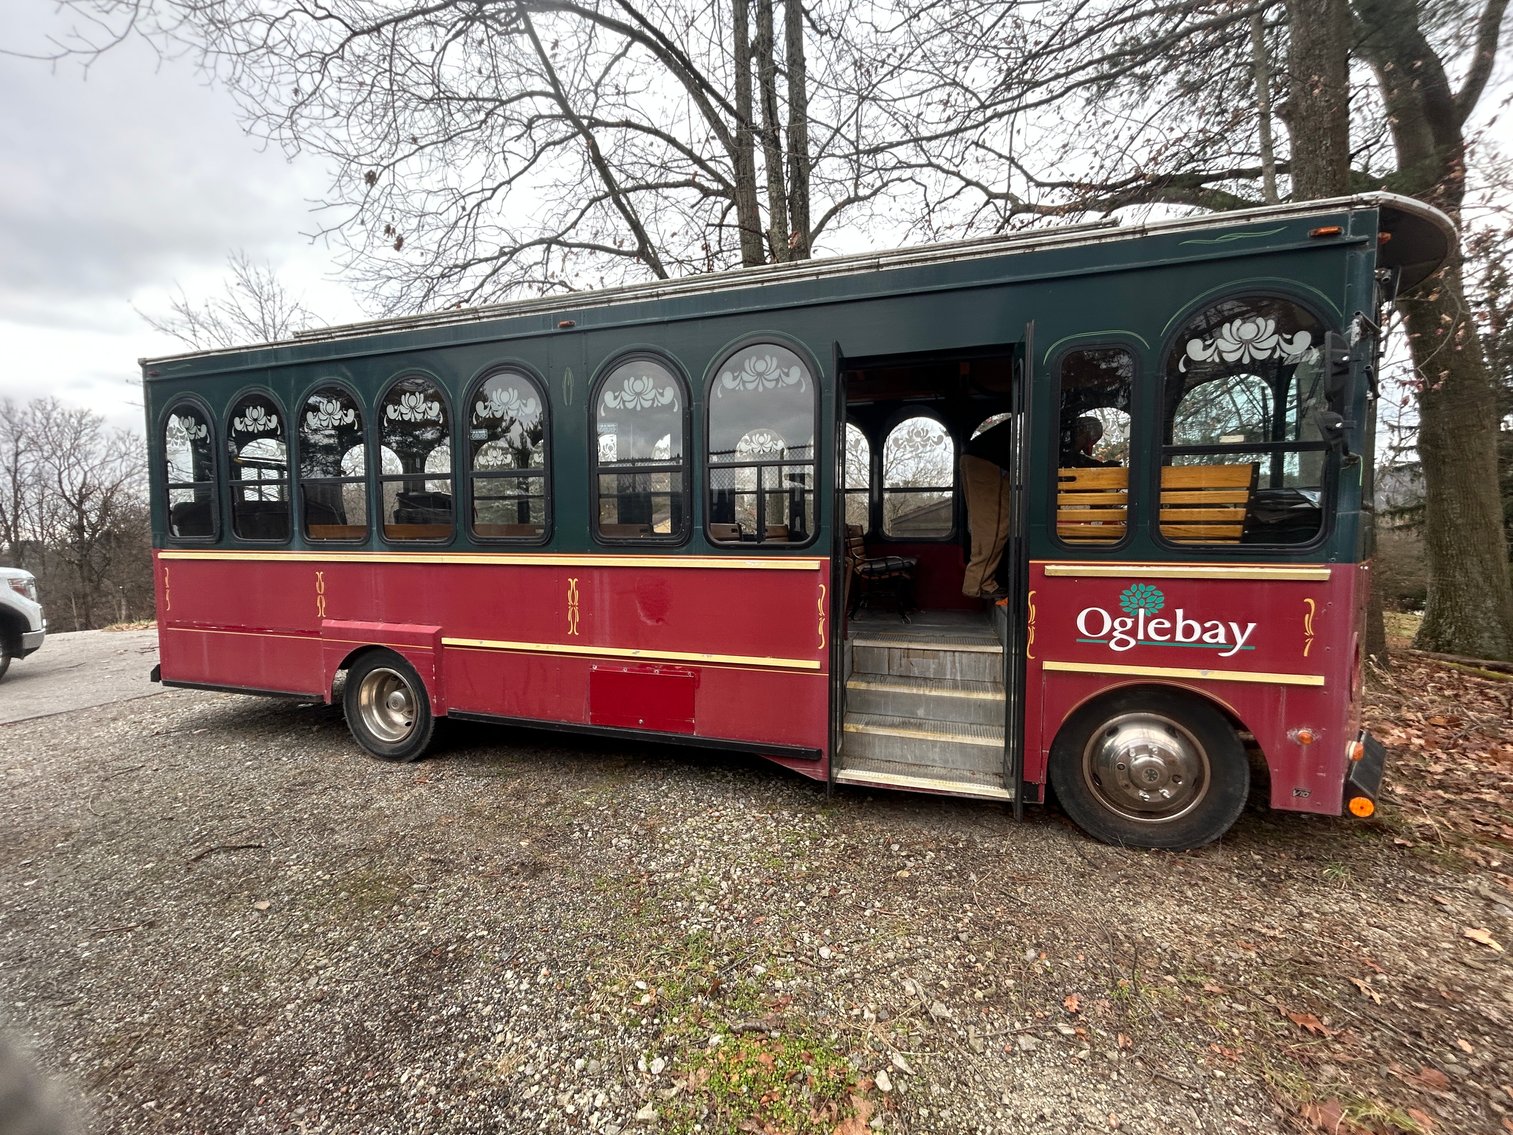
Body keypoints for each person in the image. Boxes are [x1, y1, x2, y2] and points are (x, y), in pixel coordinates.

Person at [960, 418, 1013, 602]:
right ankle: (978, 584)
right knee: (995, 527)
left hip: (977, 458)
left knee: (986, 523)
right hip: (989, 462)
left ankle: (982, 583)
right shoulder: (1062, 426)